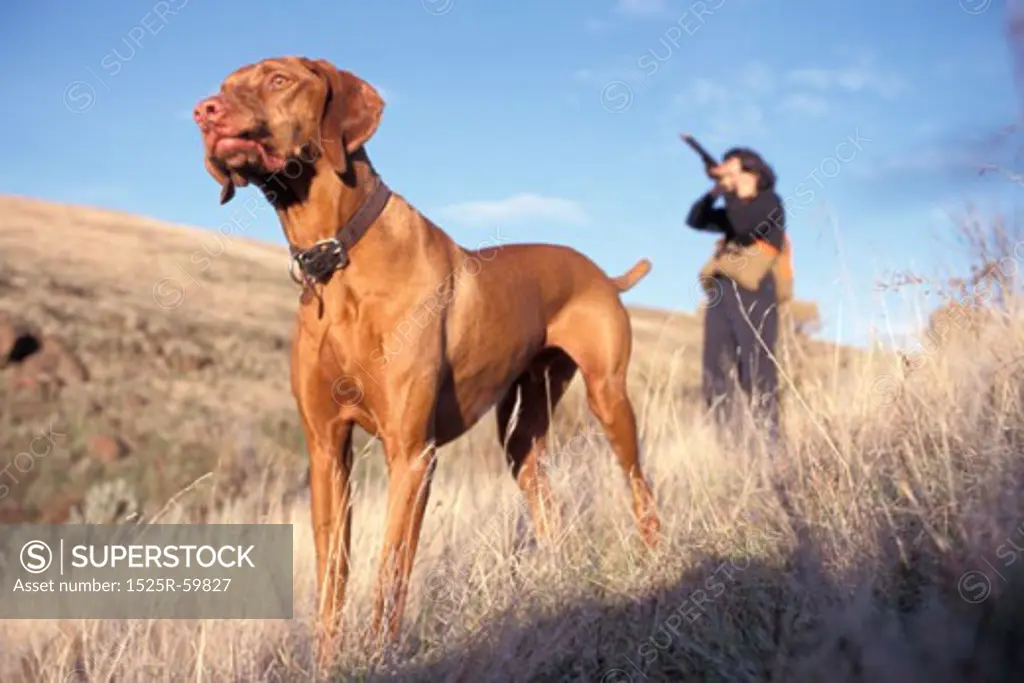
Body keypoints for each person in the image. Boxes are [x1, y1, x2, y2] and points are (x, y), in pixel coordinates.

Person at [686, 147, 788, 449]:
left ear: (751, 170)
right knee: (716, 369)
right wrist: (716, 189)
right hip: (722, 292)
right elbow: (695, 219)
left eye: (732, 168)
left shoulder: (770, 203)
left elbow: (746, 226)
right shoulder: (731, 208)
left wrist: (729, 191)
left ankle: (769, 446)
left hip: (755, 290)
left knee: (757, 370)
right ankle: (728, 446)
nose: (727, 174)